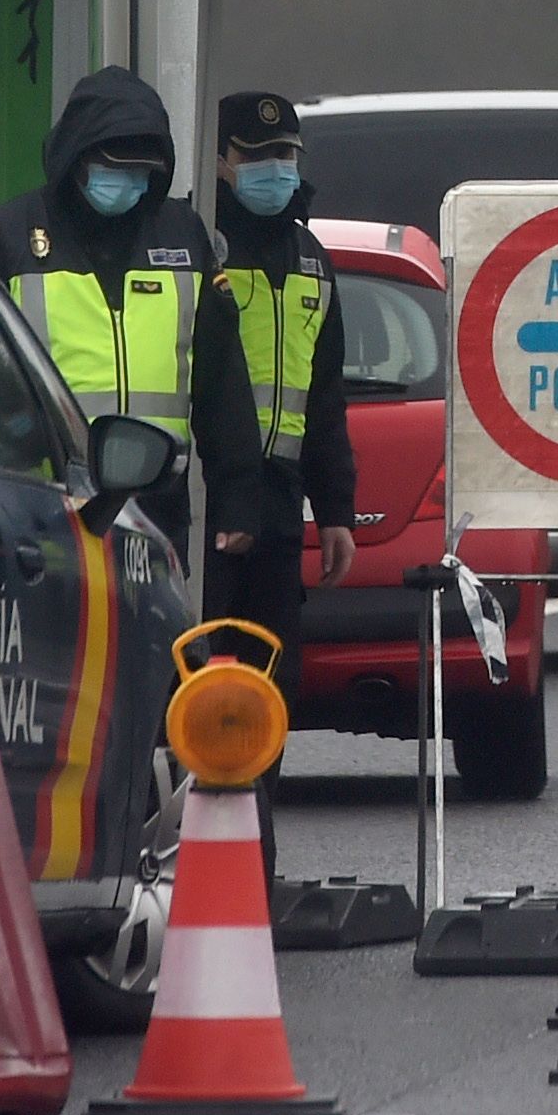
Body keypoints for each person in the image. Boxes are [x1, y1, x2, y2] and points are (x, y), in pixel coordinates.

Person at [0, 67, 262, 569]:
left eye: (140, 173)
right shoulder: (13, 235)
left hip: (156, 507)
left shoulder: (182, 236)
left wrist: (237, 496)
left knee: (157, 645)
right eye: (114, 167)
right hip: (43, 505)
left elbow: (222, 379)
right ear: (77, 158)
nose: (127, 183)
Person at [210, 92, 357, 866]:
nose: (274, 170)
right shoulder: (201, 248)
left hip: (278, 510)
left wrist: (336, 509)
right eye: (258, 156)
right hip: (204, 506)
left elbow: (323, 394)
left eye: (287, 157)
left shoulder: (310, 258)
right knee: (193, 688)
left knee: (273, 687)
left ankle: (251, 865)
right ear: (221, 162)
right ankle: (191, 853)